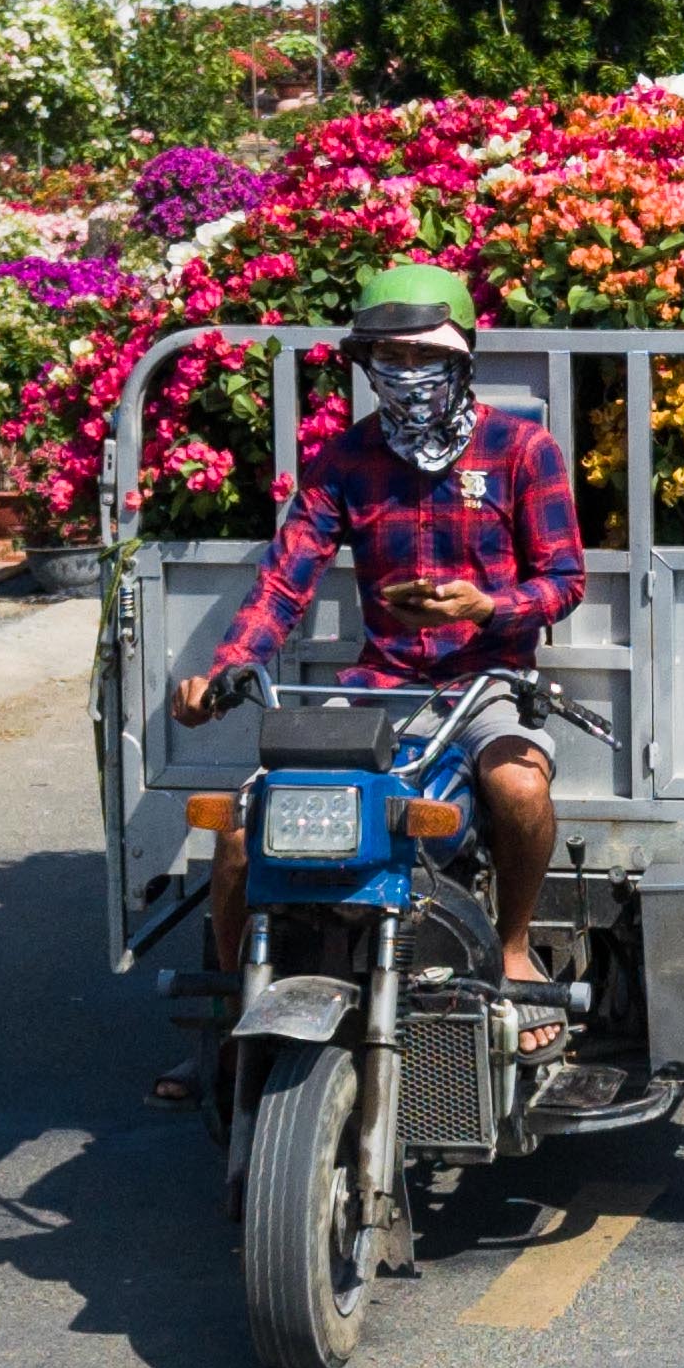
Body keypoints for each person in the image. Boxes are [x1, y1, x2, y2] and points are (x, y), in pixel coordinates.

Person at [167, 264, 586, 987]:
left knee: (519, 789)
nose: (409, 371)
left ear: (463, 358)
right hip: (379, 686)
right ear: (367, 364)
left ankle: (515, 945)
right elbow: (284, 580)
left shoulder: (522, 449)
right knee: (239, 833)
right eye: (391, 355)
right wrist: (226, 670)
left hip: (487, 684)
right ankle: (237, 1008)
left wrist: (486, 607)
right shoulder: (345, 460)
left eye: (426, 354)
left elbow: (565, 580)